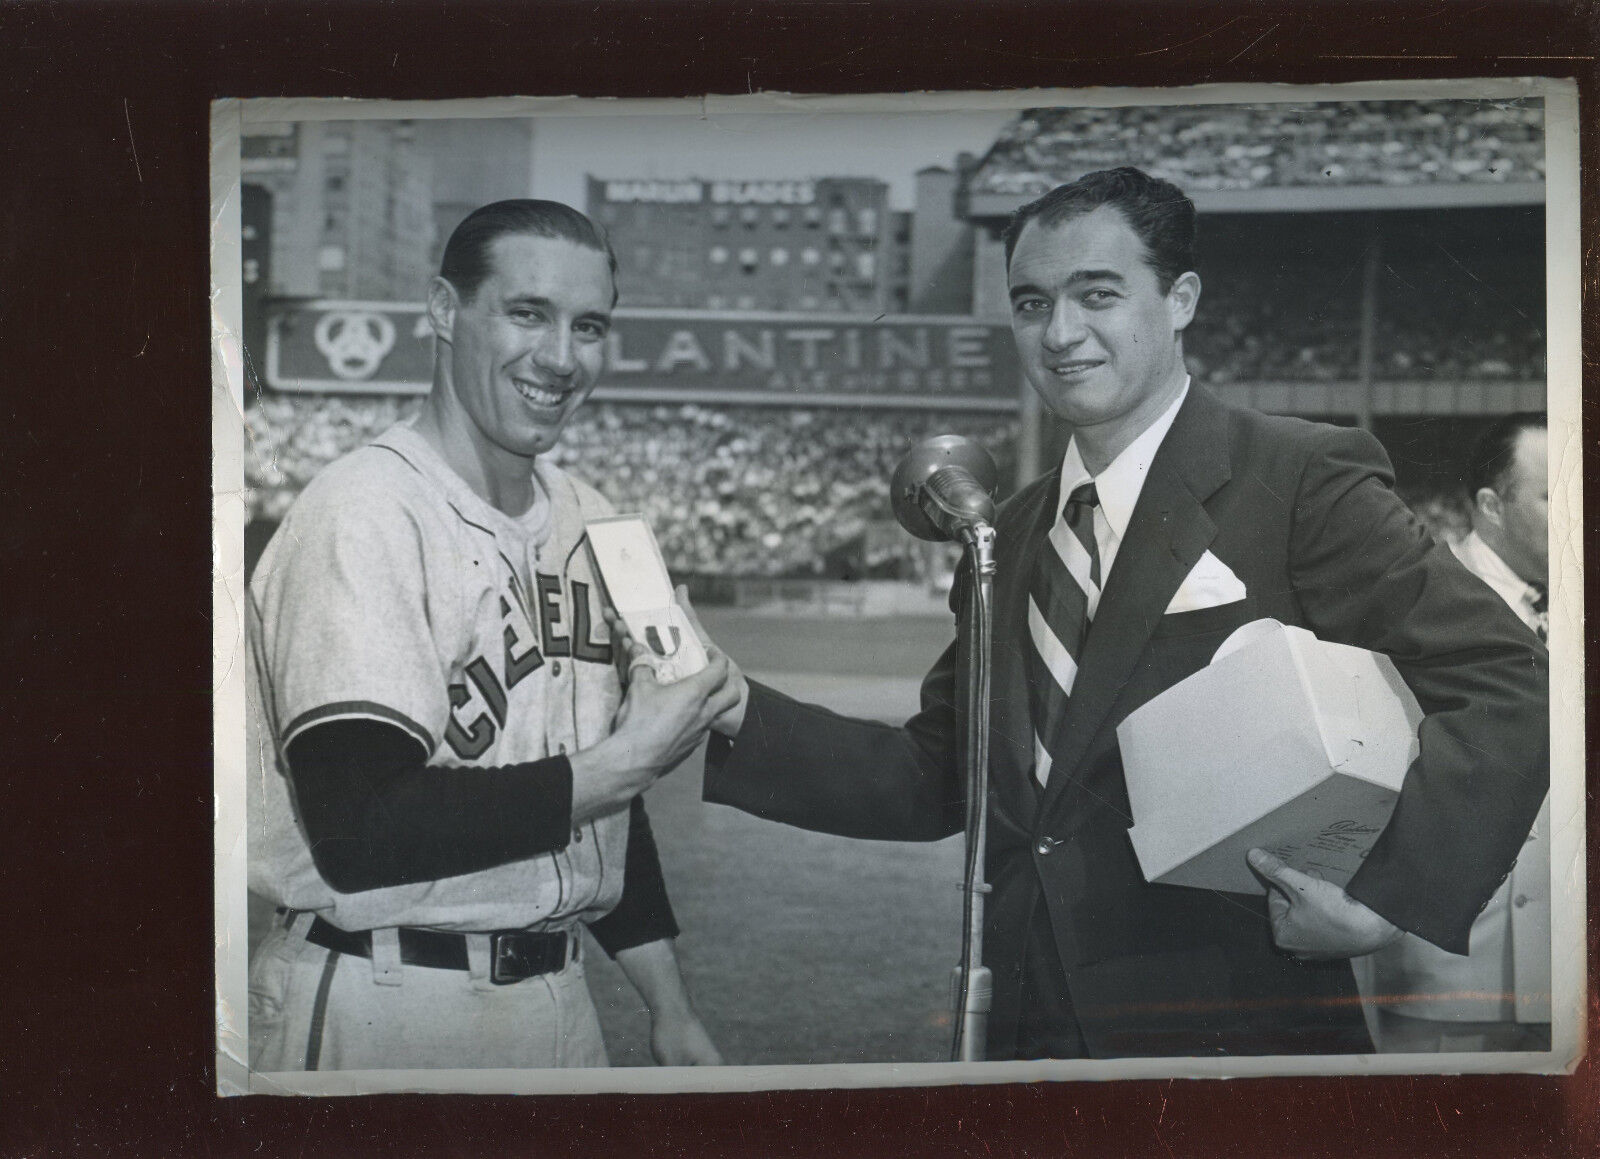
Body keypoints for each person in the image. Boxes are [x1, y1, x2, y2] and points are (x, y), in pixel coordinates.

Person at [688, 168, 1548, 1059]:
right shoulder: (1010, 533)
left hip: (1230, 1039)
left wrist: (1384, 898)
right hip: (1025, 1030)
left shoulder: (1298, 477)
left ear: (1181, 299)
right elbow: (944, 770)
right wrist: (739, 706)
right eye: (1032, 303)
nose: (1060, 333)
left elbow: (1508, 677)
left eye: (1097, 294)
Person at [245, 200, 739, 1071]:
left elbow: (601, 810)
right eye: (527, 313)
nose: (560, 357)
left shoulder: (595, 520)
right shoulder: (364, 511)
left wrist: (669, 1004)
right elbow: (358, 830)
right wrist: (627, 761)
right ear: (443, 310)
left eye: (589, 326)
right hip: (383, 995)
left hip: (561, 996)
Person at [1360, 413, 1551, 1052]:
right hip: (1442, 979)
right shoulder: (1407, 603)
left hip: (1570, 982)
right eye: (1556, 496)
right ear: (1491, 506)